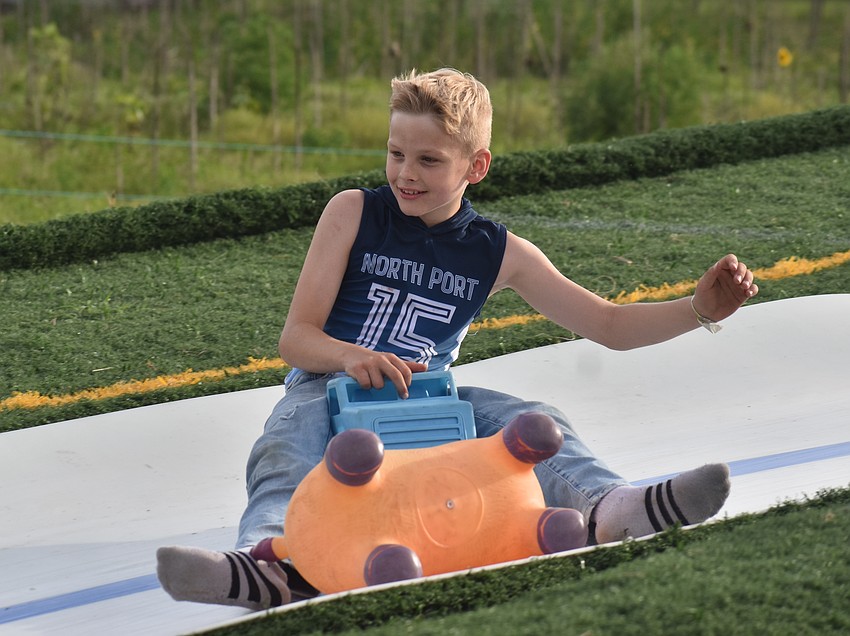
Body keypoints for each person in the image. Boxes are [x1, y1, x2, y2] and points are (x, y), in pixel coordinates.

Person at [157, 68, 758, 610]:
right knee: (284, 445)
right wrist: (352, 358)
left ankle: (610, 508)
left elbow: (607, 325)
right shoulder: (352, 212)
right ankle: (267, 560)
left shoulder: (498, 253)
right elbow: (296, 339)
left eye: (428, 160)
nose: (405, 173)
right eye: (395, 154)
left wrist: (698, 309)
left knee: (531, 417)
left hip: (432, 405)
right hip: (326, 389)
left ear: (475, 166)